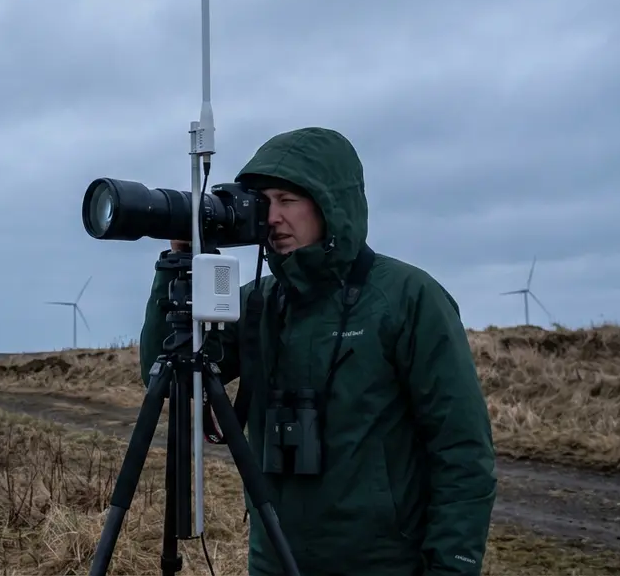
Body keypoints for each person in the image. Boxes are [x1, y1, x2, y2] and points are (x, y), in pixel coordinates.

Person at [137, 126, 497, 576]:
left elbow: (461, 448)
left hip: (383, 562)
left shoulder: (406, 298)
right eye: (265, 203)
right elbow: (166, 372)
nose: (272, 217)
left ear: (331, 205)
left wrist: (452, 565)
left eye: (288, 200)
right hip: (274, 559)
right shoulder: (256, 303)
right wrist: (177, 268)